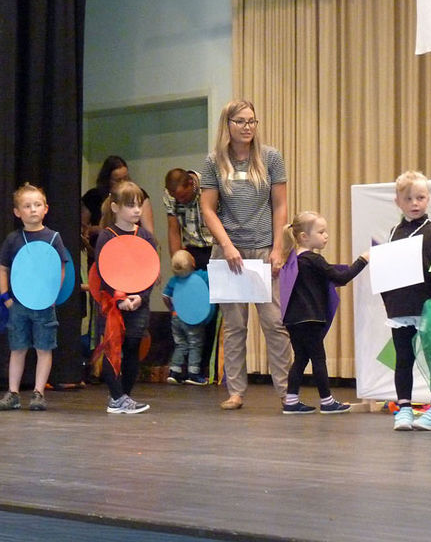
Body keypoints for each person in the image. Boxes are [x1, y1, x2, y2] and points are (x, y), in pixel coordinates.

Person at [199, 99, 292, 410]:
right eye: (240, 121)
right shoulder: (213, 162)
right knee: (235, 325)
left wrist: (279, 247)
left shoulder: (271, 158)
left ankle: (286, 390)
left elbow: (279, 205)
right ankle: (236, 391)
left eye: (252, 121)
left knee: (274, 323)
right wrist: (226, 245)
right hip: (229, 254)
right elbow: (208, 209)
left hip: (264, 248)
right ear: (228, 125)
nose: (248, 127)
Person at [380, 170, 431, 431]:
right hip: (400, 305)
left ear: (428, 199)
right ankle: (405, 408)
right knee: (403, 357)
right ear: (398, 201)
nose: (415, 203)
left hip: (426, 304)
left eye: (420, 197)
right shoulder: (394, 231)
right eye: (408, 199)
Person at [280, 211, 367, 415]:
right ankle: (327, 401)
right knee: (318, 359)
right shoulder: (313, 259)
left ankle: (291, 400)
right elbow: (341, 277)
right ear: (304, 237)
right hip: (310, 318)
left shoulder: (294, 260)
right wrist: (362, 260)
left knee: (301, 358)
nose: (325, 235)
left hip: (293, 319)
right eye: (321, 232)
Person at [0, 183, 69, 411]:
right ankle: (13, 393)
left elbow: (61, 267)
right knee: (17, 348)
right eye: (27, 206)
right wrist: (6, 296)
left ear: (46, 208)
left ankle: (38, 392)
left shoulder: (54, 237)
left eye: (37, 205)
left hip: (44, 304)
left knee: (44, 348)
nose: (33, 210)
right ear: (18, 212)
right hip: (18, 304)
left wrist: (52, 294)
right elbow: (3, 268)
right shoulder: (13, 239)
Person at [94, 180, 156, 414]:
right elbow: (104, 271)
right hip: (113, 304)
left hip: (138, 304)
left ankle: (124, 396)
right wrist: (119, 298)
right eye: (130, 206)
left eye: (139, 205)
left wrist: (140, 296)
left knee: (132, 347)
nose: (137, 211)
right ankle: (116, 396)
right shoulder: (106, 237)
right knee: (112, 347)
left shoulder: (146, 237)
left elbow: (150, 271)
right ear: (115, 207)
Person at [81, 155, 154, 264]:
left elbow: (150, 236)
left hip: (133, 258)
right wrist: (93, 231)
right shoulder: (94, 197)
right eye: (118, 180)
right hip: (103, 259)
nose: (123, 182)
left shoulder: (144, 234)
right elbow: (83, 229)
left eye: (126, 177)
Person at [162, 249, 210, 385]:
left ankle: (174, 372)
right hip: (193, 318)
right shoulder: (200, 276)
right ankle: (193, 373)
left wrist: (171, 309)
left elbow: (165, 297)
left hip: (176, 317)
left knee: (180, 344)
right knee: (195, 344)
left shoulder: (173, 281)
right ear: (193, 263)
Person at [163, 168, 214, 267]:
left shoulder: (209, 186)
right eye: (177, 198)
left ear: (191, 183)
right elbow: (174, 230)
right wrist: (177, 261)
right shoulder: (170, 194)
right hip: (192, 249)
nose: (180, 200)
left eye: (183, 196)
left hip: (216, 247)